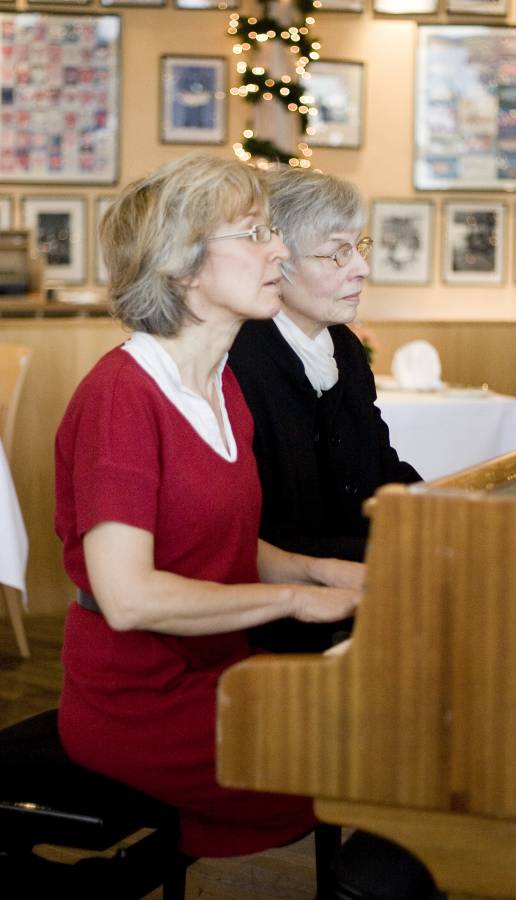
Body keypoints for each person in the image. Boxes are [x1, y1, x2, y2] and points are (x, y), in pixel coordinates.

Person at [54, 153, 363, 861]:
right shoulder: (122, 397)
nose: (279, 249)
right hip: (138, 705)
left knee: (393, 726)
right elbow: (128, 598)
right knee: (377, 757)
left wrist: (320, 572)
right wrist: (291, 599)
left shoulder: (221, 386)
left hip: (220, 672)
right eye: (253, 233)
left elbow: (216, 542)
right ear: (184, 266)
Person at [228, 167, 422, 653]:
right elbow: (250, 533)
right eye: (338, 252)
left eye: (359, 247)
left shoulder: (346, 350)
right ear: (279, 262)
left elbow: (381, 468)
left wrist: (443, 513)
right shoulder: (238, 359)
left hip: (352, 589)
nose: (361, 267)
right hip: (267, 617)